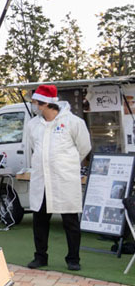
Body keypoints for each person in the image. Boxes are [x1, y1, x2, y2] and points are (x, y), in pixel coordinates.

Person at [23, 84, 91, 271]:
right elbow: (31, 147)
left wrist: (67, 163)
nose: (34, 105)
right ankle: (40, 256)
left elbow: (84, 147)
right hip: (42, 180)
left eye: (36, 102)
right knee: (40, 220)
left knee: (70, 220)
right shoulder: (33, 125)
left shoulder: (73, 122)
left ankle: (73, 258)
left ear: (44, 104)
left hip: (64, 179)